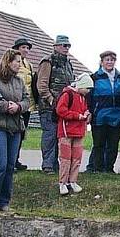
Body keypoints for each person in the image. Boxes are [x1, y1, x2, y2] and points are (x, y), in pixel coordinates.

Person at [0, 49, 30, 212]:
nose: (19, 64)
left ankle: (4, 201)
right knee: (1, 163)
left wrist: (19, 107)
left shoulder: (19, 82)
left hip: (15, 127)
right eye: (16, 61)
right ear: (8, 62)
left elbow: (26, 100)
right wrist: (5, 106)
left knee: (10, 165)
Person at [36, 34, 75, 172]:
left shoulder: (68, 64)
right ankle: (47, 165)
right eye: (64, 45)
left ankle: (56, 165)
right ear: (56, 46)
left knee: (60, 136)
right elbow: (42, 85)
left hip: (63, 108)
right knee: (50, 135)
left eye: (68, 45)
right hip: (49, 107)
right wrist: (51, 100)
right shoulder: (47, 61)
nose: (67, 48)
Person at [87, 50, 120, 173]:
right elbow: (89, 97)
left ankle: (109, 168)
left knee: (113, 144)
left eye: (112, 60)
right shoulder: (94, 77)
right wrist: (89, 111)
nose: (110, 62)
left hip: (117, 115)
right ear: (102, 62)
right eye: (107, 60)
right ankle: (97, 168)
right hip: (99, 116)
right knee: (99, 144)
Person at [56, 73, 93, 195]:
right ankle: (62, 182)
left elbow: (84, 110)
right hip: (66, 132)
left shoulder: (83, 98)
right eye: (87, 88)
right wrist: (77, 116)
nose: (88, 91)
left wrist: (86, 115)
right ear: (81, 85)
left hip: (79, 132)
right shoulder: (68, 94)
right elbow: (60, 110)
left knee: (76, 158)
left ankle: (73, 180)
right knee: (65, 159)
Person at [12, 37, 35, 171]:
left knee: (21, 133)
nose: (25, 50)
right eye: (23, 47)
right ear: (16, 49)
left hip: (27, 104)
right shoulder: (14, 63)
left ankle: (16, 159)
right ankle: (11, 160)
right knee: (14, 132)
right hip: (15, 103)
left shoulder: (29, 64)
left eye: (27, 48)